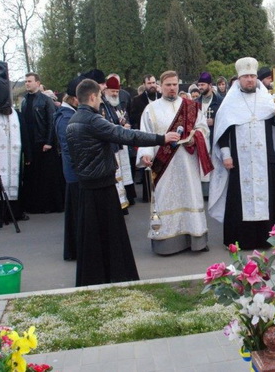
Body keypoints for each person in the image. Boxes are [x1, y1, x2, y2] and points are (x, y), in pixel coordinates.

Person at [66, 78, 177, 286]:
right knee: (111, 237)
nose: (100, 100)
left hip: (86, 186)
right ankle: (117, 276)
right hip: (102, 186)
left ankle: (94, 278)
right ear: (92, 97)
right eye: (99, 96)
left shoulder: (73, 120)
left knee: (91, 238)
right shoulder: (92, 120)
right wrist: (161, 139)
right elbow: (125, 135)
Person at [209, 57, 275, 249]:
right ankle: (240, 240)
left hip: (265, 160)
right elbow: (223, 131)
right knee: (239, 200)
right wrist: (226, 154)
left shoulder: (267, 100)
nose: (250, 80)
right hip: (240, 161)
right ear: (239, 79)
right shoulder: (230, 103)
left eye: (252, 76)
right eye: (246, 76)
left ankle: (267, 238)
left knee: (267, 198)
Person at [137, 71, 212, 254]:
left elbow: (203, 129)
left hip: (187, 162)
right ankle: (167, 244)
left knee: (191, 197)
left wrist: (196, 138)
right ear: (161, 86)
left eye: (174, 85)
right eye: (168, 85)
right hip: (164, 166)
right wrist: (145, 154)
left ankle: (196, 240)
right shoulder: (151, 109)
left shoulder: (192, 107)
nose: (172, 88)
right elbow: (145, 135)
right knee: (165, 200)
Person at [20, 73, 64, 214]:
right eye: (25, 81)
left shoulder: (46, 100)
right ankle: (35, 205)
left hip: (44, 143)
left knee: (48, 176)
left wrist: (49, 141)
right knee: (34, 176)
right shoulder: (24, 101)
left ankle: (51, 205)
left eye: (30, 81)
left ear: (38, 83)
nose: (27, 83)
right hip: (31, 144)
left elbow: (52, 122)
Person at [55, 77, 81, 261]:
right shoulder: (66, 118)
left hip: (75, 172)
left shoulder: (67, 115)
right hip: (76, 174)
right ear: (75, 99)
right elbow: (70, 148)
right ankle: (77, 249)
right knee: (77, 215)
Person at [100, 75, 136, 209]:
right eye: (112, 91)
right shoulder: (103, 105)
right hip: (112, 144)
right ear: (106, 90)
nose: (115, 94)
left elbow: (123, 117)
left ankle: (125, 199)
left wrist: (124, 123)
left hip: (121, 143)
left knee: (124, 172)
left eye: (117, 92)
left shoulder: (118, 104)